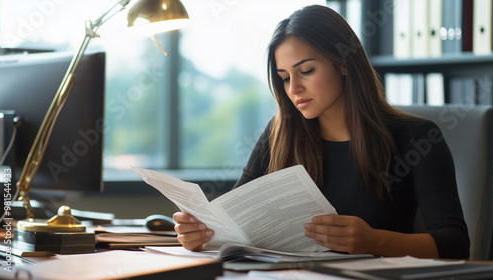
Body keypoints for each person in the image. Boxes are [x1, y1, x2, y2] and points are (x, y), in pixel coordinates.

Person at [173, 4, 470, 259]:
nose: (293, 89)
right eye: (284, 77)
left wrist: (374, 241)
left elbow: (455, 244)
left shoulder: (416, 138)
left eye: (307, 71)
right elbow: (231, 222)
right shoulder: (279, 134)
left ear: (343, 63)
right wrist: (200, 233)